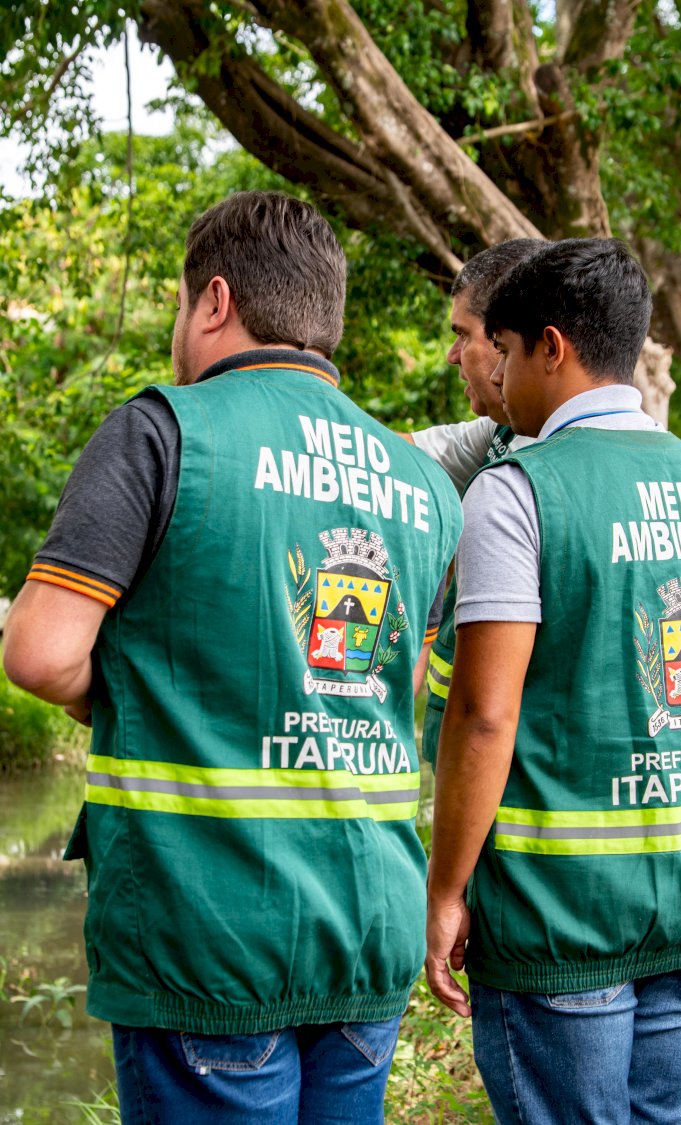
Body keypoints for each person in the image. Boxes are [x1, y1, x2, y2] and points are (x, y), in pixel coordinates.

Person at [3, 190, 463, 1124]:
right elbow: (393, 690)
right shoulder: (424, 485)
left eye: (180, 304)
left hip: (207, 924)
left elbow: (42, 655)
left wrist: (158, 692)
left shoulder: (161, 430)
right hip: (370, 924)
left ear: (214, 300)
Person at [425, 238, 681, 1124]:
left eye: (502, 348)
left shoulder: (518, 489)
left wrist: (446, 888)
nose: (491, 372)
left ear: (551, 348)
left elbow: (485, 716)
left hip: (560, 918)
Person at [408, 239, 538, 765]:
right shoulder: (497, 435)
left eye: (464, 335)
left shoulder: (537, 473)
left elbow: (488, 716)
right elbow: (389, 452)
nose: (452, 355)